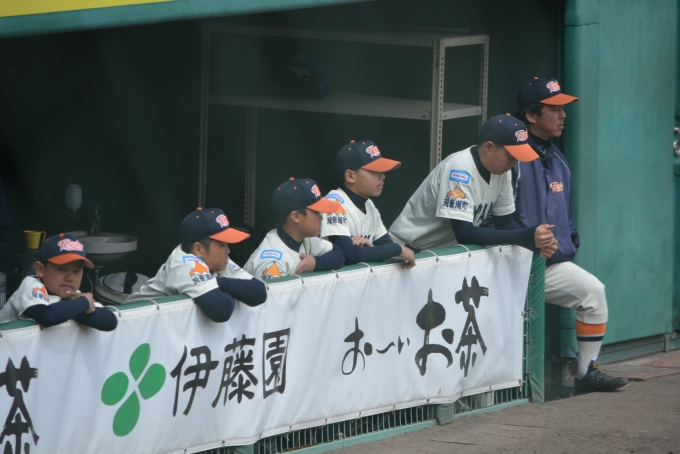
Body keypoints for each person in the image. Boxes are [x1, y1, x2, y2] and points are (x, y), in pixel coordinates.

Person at [513, 77, 627, 393]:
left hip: (546, 266)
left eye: (563, 108)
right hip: (512, 263)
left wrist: (568, 240)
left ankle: (587, 373)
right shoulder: (513, 159)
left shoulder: (558, 159)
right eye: (555, 109)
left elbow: (563, 214)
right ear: (531, 115)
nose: (563, 115)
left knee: (593, 292)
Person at [389, 113, 557, 259]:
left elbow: (504, 221)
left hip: (438, 255)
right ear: (489, 147)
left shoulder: (502, 172)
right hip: (407, 251)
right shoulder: (459, 169)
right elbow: (464, 233)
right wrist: (528, 235)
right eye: (510, 156)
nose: (514, 164)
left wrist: (535, 245)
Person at [126, 208, 267, 322]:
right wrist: (230, 287)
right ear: (198, 249)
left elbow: (259, 293)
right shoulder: (184, 264)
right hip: (130, 323)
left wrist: (217, 282)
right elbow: (222, 311)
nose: (228, 251)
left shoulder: (215, 259)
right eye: (222, 245)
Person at [320, 140, 415, 269]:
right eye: (374, 171)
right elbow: (348, 256)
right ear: (350, 176)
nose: (382, 176)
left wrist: (371, 248)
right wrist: (397, 248)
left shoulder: (368, 204)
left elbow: (386, 244)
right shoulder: (333, 204)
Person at [0, 233, 117, 331]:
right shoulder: (31, 285)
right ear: (40, 269)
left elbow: (110, 322)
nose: (70, 278)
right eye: (62, 269)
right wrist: (83, 305)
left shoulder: (74, 296)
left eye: (76, 271)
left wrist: (77, 308)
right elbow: (47, 316)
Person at [245, 178, 345, 280]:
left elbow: (339, 254)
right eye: (316, 212)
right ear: (296, 216)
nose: (321, 217)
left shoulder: (304, 238)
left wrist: (315, 263)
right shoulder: (271, 261)